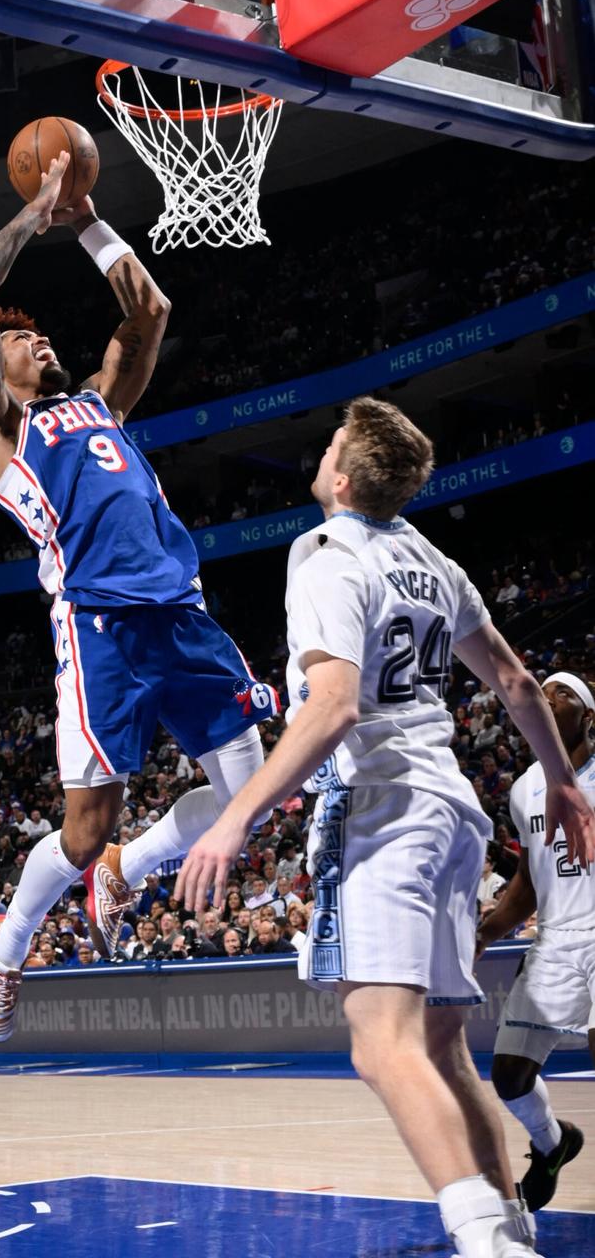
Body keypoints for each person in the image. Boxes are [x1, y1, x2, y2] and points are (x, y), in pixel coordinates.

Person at [175, 397, 595, 1258]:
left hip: (381, 808)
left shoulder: (324, 554)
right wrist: (562, 780)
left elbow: (331, 708)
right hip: (454, 816)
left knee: (380, 1046)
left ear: (341, 475)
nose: (323, 452)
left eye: (330, 444)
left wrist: (237, 818)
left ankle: (484, 1240)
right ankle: (513, 1223)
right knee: (442, 1048)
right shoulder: (433, 559)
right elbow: (516, 682)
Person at [0, 152, 276, 1041]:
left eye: (43, 334)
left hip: (181, 611)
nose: (39, 340)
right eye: (23, 341)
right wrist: (35, 211)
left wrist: (87, 219)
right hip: (101, 632)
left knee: (253, 800)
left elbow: (151, 310)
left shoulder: (101, 402)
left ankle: (139, 861)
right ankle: (8, 945)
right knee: (81, 835)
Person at [478, 672, 594, 1211]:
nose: (548, 696)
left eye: (563, 693)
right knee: (509, 1075)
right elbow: (528, 881)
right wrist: (487, 931)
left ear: (588, 718)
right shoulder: (525, 788)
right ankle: (552, 1144)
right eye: (543, 690)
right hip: (554, 940)